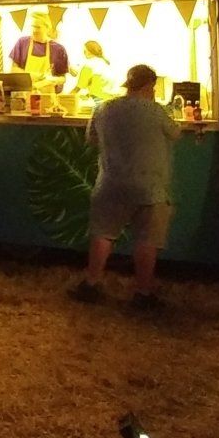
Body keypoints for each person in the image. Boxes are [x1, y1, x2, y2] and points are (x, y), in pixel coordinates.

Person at [71, 64, 182, 310]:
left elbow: (91, 139)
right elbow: (175, 134)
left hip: (111, 182)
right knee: (146, 239)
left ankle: (91, 283)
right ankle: (143, 292)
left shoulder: (104, 108)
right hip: (150, 186)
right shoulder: (156, 111)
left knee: (103, 233)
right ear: (149, 86)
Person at [8, 11, 70, 88]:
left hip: (47, 95)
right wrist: (30, 75)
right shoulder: (22, 43)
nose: (34, 30)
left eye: (38, 27)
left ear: (47, 28)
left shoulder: (58, 49)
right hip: (24, 93)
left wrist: (51, 80)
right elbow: (13, 69)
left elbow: (63, 78)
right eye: (32, 26)